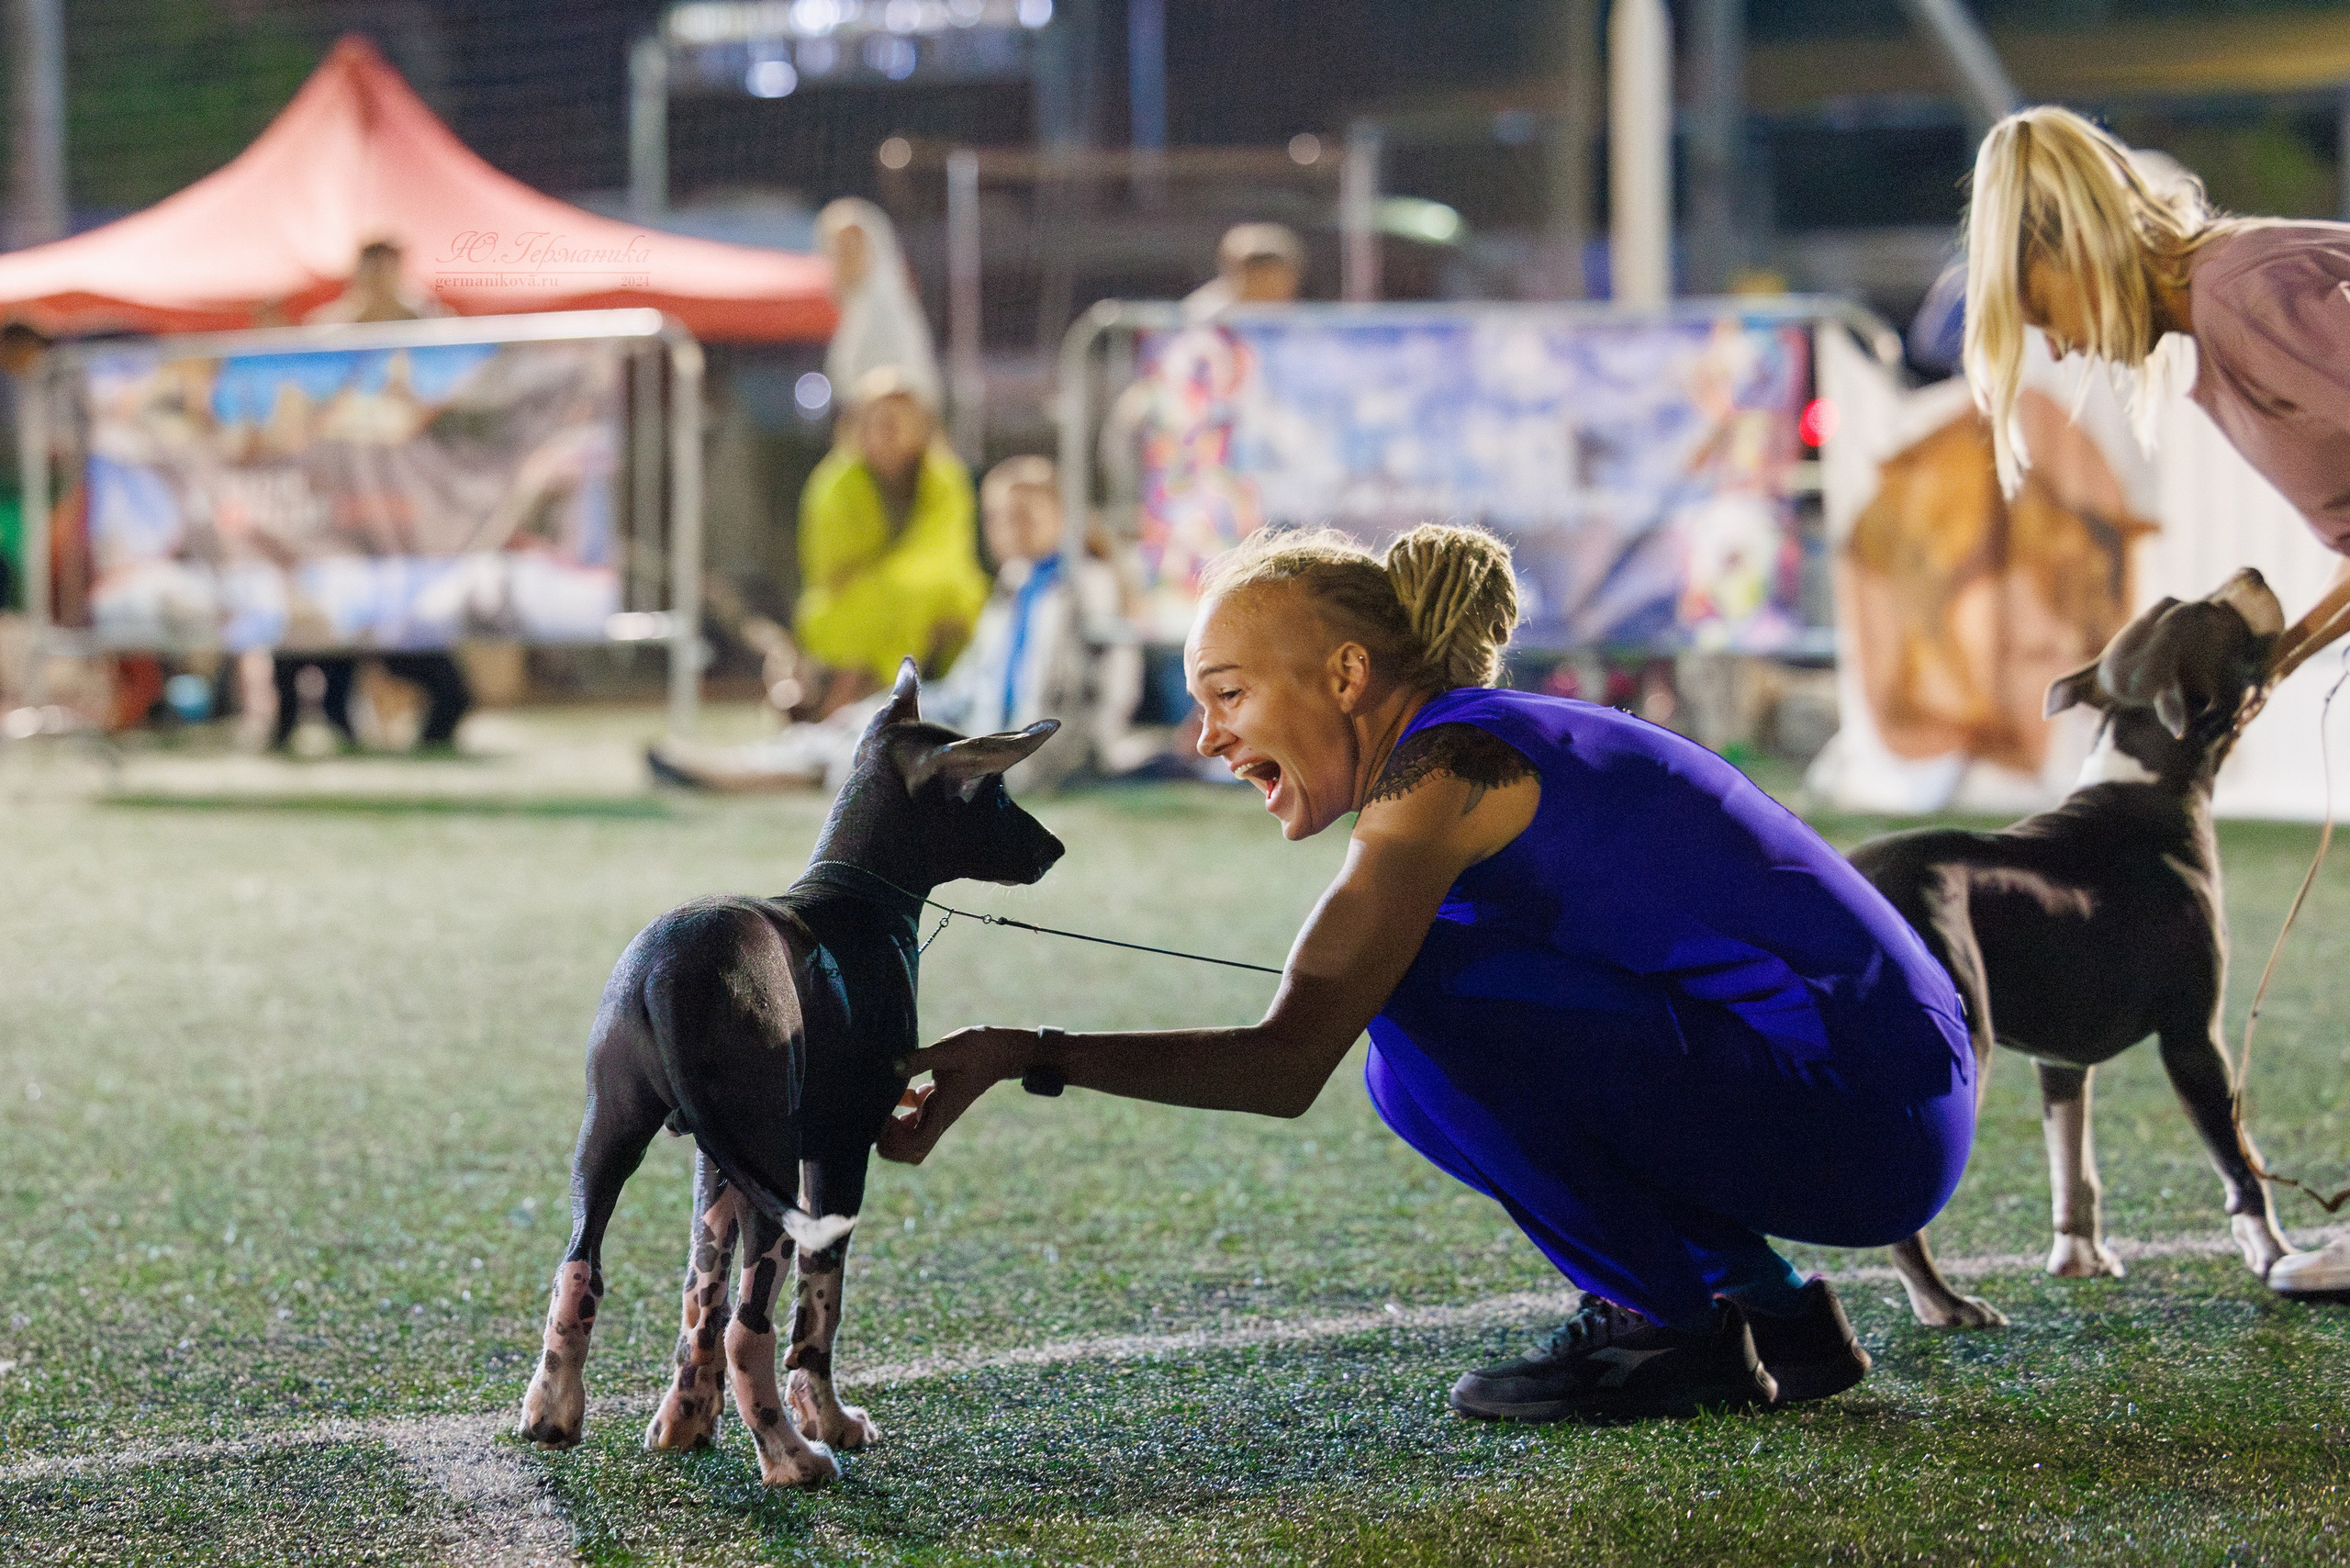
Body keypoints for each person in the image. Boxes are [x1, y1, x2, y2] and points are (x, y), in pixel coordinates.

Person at [881, 524, 1979, 1422]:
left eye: (1226, 694)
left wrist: (1024, 1052)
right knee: (1405, 1073)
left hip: (1867, 1118)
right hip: (1884, 1098)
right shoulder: (1478, 742)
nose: (1206, 738)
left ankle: (1672, 1335)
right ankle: (1771, 1309)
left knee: (1411, 993)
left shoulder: (1442, 769)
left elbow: (1284, 1061)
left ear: (1348, 675)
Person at [1963, 106, 2350, 1297]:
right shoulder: (2227, 315)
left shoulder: (2246, 290)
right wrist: (2288, 658)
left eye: (2041, 311)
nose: (2063, 348)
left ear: (2070, 246)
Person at [650, 454, 1143, 793]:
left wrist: (1028, 763)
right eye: (997, 517)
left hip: (1027, 755)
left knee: (875, 756)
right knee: (869, 719)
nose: (1010, 527)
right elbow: (976, 681)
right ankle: (746, 761)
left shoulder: (1084, 584)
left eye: (1026, 514)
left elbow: (1100, 696)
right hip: (983, 728)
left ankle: (736, 776)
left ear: (1062, 515)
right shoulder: (1017, 583)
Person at [793, 366, 989, 717]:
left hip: (939, 597)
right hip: (854, 606)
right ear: (858, 427)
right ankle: (857, 704)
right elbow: (831, 572)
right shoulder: (833, 483)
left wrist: (892, 588)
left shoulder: (946, 477)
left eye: (902, 421)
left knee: (954, 603)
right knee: (870, 611)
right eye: (879, 421)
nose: (891, 432)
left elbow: (943, 555)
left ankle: (863, 704)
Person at [818, 199, 943, 430]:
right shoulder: (858, 310)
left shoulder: (884, 306)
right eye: (838, 248)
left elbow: (905, 390)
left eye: (851, 247)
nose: (844, 257)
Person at [1181, 223, 1305, 321]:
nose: (1267, 282)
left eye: (1275, 273)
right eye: (1255, 269)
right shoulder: (1205, 316)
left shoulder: (1305, 320)